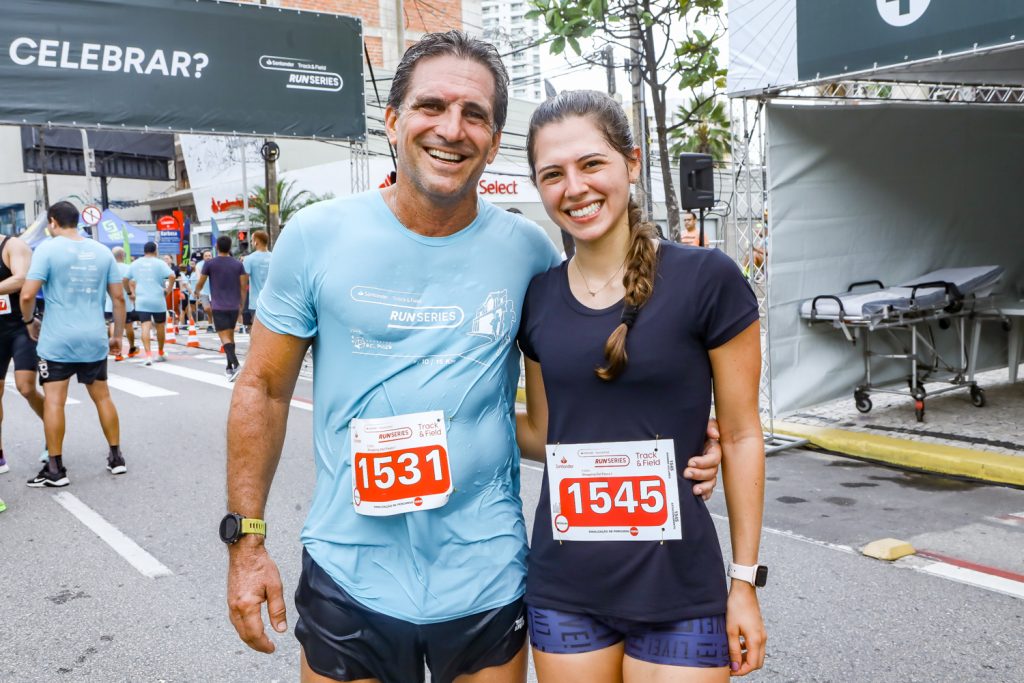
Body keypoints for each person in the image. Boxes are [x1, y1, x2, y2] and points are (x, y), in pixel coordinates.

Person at [223, 31, 722, 683]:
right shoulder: (316, 237)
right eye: (432, 106)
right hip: (351, 572)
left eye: (475, 115)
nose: (452, 129)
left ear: (492, 139)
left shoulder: (532, 254)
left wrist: (681, 438)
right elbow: (261, 387)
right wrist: (247, 539)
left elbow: (570, 404)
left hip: (487, 576)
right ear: (394, 120)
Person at [516, 90, 767, 681]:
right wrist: (460, 417)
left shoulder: (709, 280)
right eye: (552, 174)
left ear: (630, 162)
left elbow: (741, 432)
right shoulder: (538, 299)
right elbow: (546, 435)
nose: (573, 188)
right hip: (565, 589)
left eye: (591, 164)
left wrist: (745, 582)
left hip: (680, 588)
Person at [19, 201, 127, 488]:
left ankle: (55, 468)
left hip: (57, 339)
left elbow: (27, 295)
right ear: (77, 221)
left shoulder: (46, 249)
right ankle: (116, 458)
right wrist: (117, 335)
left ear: (53, 222)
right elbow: (118, 298)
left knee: (55, 400)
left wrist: (30, 322)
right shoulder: (102, 251)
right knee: (102, 396)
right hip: (94, 336)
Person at [0, 233, 45, 476]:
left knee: (26, 387)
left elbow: (21, 278)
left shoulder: (12, 245)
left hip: (20, 327)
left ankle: (52, 429)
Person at [193, 235, 246, 380]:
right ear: (230, 247)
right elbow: (243, 287)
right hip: (234, 306)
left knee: (224, 337)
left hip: (219, 306)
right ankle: (229, 368)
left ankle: (236, 365)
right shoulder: (238, 264)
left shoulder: (210, 264)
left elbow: (201, 282)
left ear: (217, 247)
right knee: (230, 337)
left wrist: (196, 292)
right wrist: (241, 303)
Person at [127, 242, 175, 366]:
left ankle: (148, 356)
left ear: (144, 251)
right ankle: (160, 352)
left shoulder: (135, 263)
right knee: (160, 327)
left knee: (145, 326)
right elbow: (172, 275)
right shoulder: (160, 263)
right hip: (158, 298)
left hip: (142, 299)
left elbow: (125, 278)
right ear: (155, 251)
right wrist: (168, 290)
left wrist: (129, 292)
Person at [106, 246, 138, 362]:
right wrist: (133, 294)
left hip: (110, 302)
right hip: (126, 302)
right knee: (128, 325)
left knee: (112, 323)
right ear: (123, 256)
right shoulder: (128, 268)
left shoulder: (108, 268)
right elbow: (133, 283)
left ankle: (116, 350)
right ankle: (131, 347)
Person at [242, 230, 271, 335]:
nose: (251, 242)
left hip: (255, 302)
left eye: (252, 240)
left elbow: (243, 283)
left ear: (256, 242)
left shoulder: (249, 259)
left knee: (256, 331)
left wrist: (241, 302)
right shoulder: (274, 257)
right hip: (272, 302)